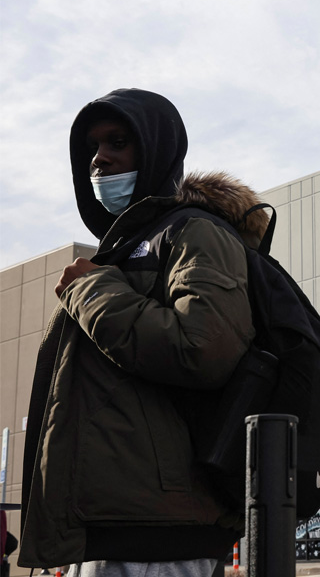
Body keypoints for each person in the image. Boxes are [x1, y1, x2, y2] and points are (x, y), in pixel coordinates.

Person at [18, 89, 269, 575]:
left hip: (158, 534)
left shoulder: (195, 232)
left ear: (156, 150)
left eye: (118, 142)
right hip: (117, 521)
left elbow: (204, 348)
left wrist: (91, 291)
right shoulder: (126, 251)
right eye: (93, 147)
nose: (100, 158)